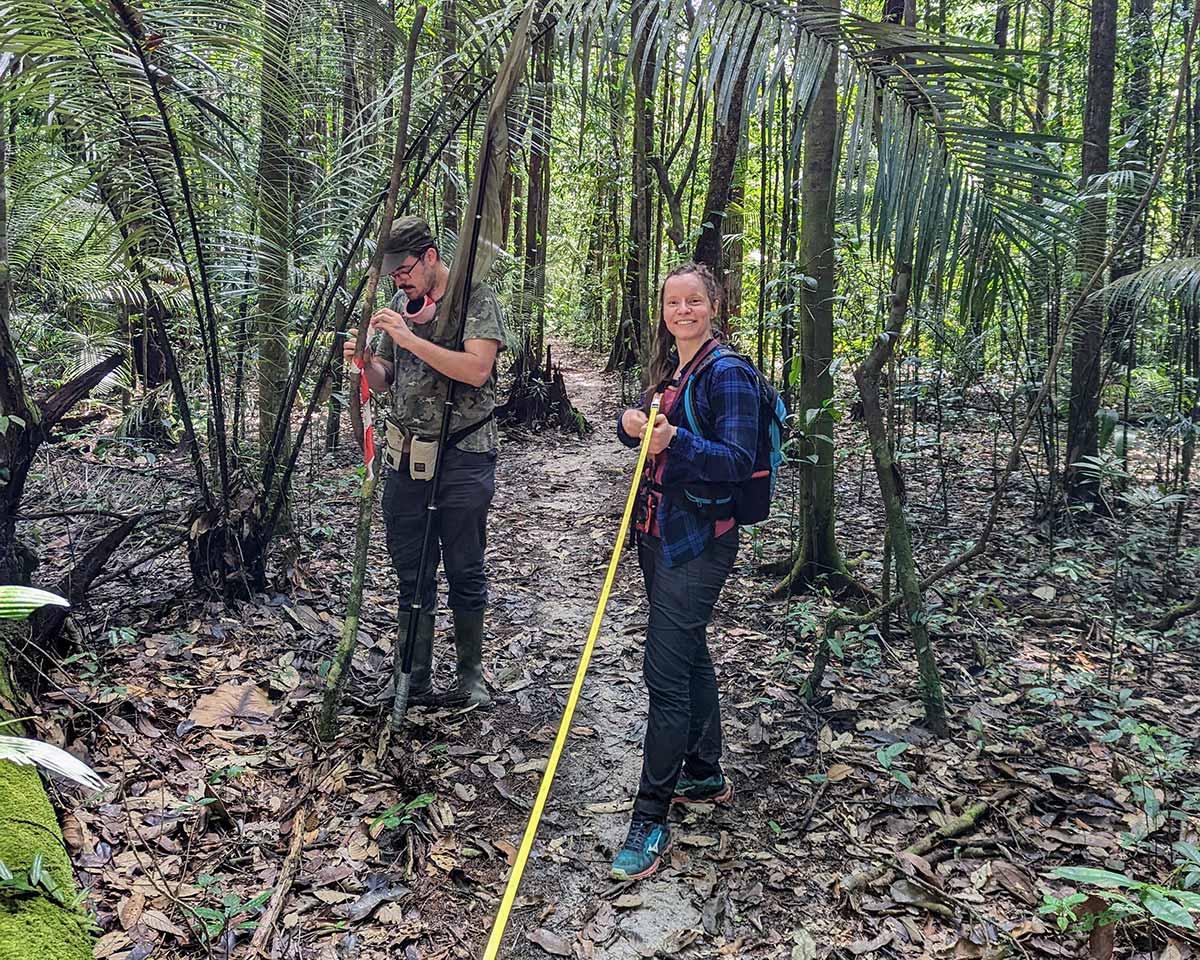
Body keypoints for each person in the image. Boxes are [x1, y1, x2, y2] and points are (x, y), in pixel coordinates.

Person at [611, 262, 760, 881]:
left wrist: (673, 442)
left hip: (698, 543)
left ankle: (649, 818)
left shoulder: (729, 373)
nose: (683, 311)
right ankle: (703, 772)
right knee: (689, 650)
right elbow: (658, 439)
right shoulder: (675, 368)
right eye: (673, 302)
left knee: (664, 673)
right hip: (658, 532)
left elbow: (736, 459)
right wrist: (633, 428)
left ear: (713, 304)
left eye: (693, 301)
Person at [344, 216, 506, 708]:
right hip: (408, 455)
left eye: (405, 271)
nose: (401, 281)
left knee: (464, 567)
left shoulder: (474, 299)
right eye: (394, 276)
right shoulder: (399, 305)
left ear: (431, 257)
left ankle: (470, 676)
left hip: (464, 454)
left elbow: (477, 371)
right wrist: (365, 362)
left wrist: (411, 338)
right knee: (412, 571)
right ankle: (412, 676)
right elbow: (389, 376)